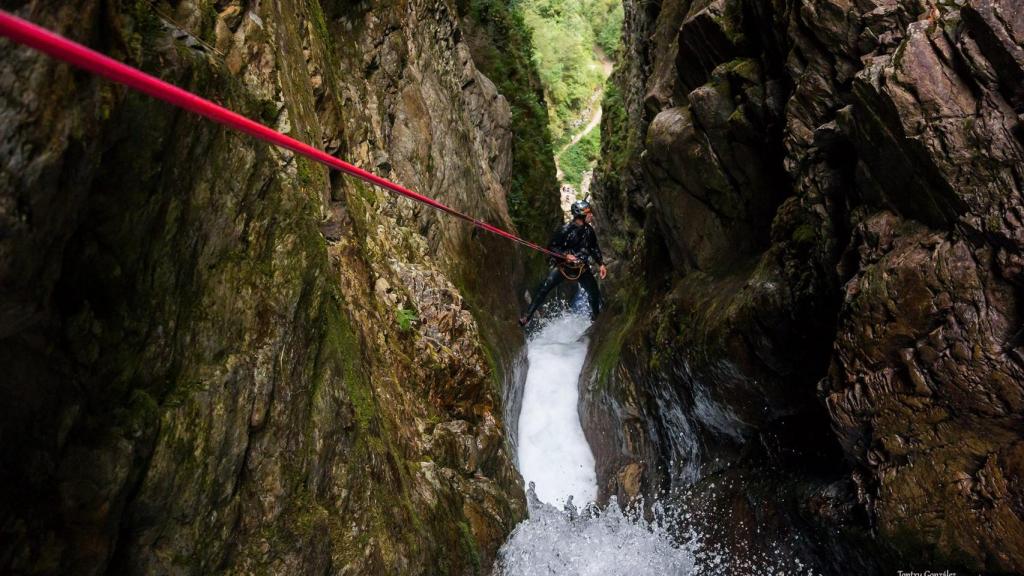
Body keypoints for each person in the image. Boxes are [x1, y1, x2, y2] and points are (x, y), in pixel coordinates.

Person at [519, 200, 607, 326]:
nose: (591, 215)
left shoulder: (589, 231)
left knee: (594, 292)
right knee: (544, 287)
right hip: (563, 267)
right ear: (581, 215)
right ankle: (527, 316)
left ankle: (595, 317)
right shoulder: (565, 230)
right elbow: (552, 247)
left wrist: (601, 264)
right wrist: (565, 255)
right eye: (588, 213)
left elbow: (593, 248)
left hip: (581, 268)